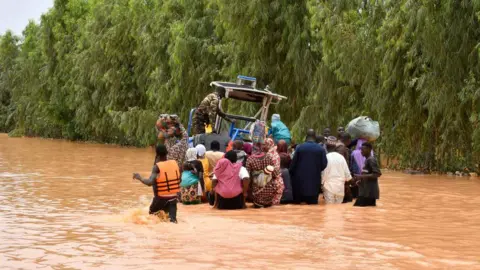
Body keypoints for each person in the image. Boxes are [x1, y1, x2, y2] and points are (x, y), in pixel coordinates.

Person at [133, 144, 179, 223]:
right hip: (174, 199)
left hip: (161, 199)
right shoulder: (174, 163)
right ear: (167, 152)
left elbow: (150, 182)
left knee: (151, 217)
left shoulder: (156, 167)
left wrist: (139, 177)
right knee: (172, 221)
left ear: (157, 154)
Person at [290, 129, 328, 204]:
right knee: (313, 209)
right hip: (314, 184)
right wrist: (316, 169)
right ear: (315, 137)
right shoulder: (320, 149)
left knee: (298, 209)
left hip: (299, 184)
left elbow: (293, 164)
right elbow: (324, 164)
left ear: (306, 137)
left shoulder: (299, 148)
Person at [247, 138, 284, 207]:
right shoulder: (273, 154)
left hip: (272, 183)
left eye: (265, 144)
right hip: (274, 184)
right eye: (263, 145)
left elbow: (274, 173)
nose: (263, 146)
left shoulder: (269, 156)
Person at [322, 137, 352, 204]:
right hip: (340, 188)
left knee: (329, 210)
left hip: (328, 188)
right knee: (339, 211)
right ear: (335, 147)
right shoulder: (341, 158)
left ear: (326, 147)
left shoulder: (326, 157)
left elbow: (324, 174)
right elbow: (347, 175)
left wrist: (321, 183)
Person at [354, 142, 381, 207]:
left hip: (368, 193)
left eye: (363, 149)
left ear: (369, 149)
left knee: (358, 209)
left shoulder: (371, 160)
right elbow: (367, 174)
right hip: (365, 192)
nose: (361, 151)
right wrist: (360, 180)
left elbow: (377, 174)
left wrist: (361, 176)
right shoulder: (367, 160)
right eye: (361, 149)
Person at [205, 140, 225, 204]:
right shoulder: (222, 154)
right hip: (218, 177)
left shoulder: (206, 153)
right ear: (219, 147)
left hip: (208, 176)